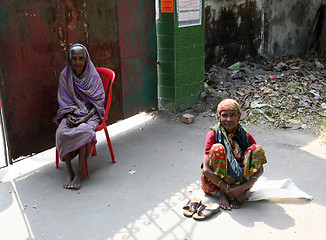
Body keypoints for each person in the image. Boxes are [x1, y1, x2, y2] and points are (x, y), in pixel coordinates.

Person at [53, 44, 105, 190]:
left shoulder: (92, 75)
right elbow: (64, 100)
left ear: (86, 59)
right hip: (71, 113)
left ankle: (79, 175)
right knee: (61, 132)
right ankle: (69, 171)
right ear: (69, 60)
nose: (77, 62)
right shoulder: (65, 75)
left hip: (90, 114)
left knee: (85, 131)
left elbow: (99, 101)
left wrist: (84, 118)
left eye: (81, 58)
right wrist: (68, 115)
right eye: (74, 58)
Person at [201, 99, 267, 209]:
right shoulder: (212, 134)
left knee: (257, 149)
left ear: (239, 116)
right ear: (218, 116)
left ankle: (239, 191)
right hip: (216, 184)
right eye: (224, 115)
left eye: (232, 115)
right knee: (218, 149)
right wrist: (227, 190)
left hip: (240, 183)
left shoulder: (245, 134)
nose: (229, 119)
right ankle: (223, 195)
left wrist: (241, 189)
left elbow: (260, 168)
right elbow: (207, 170)